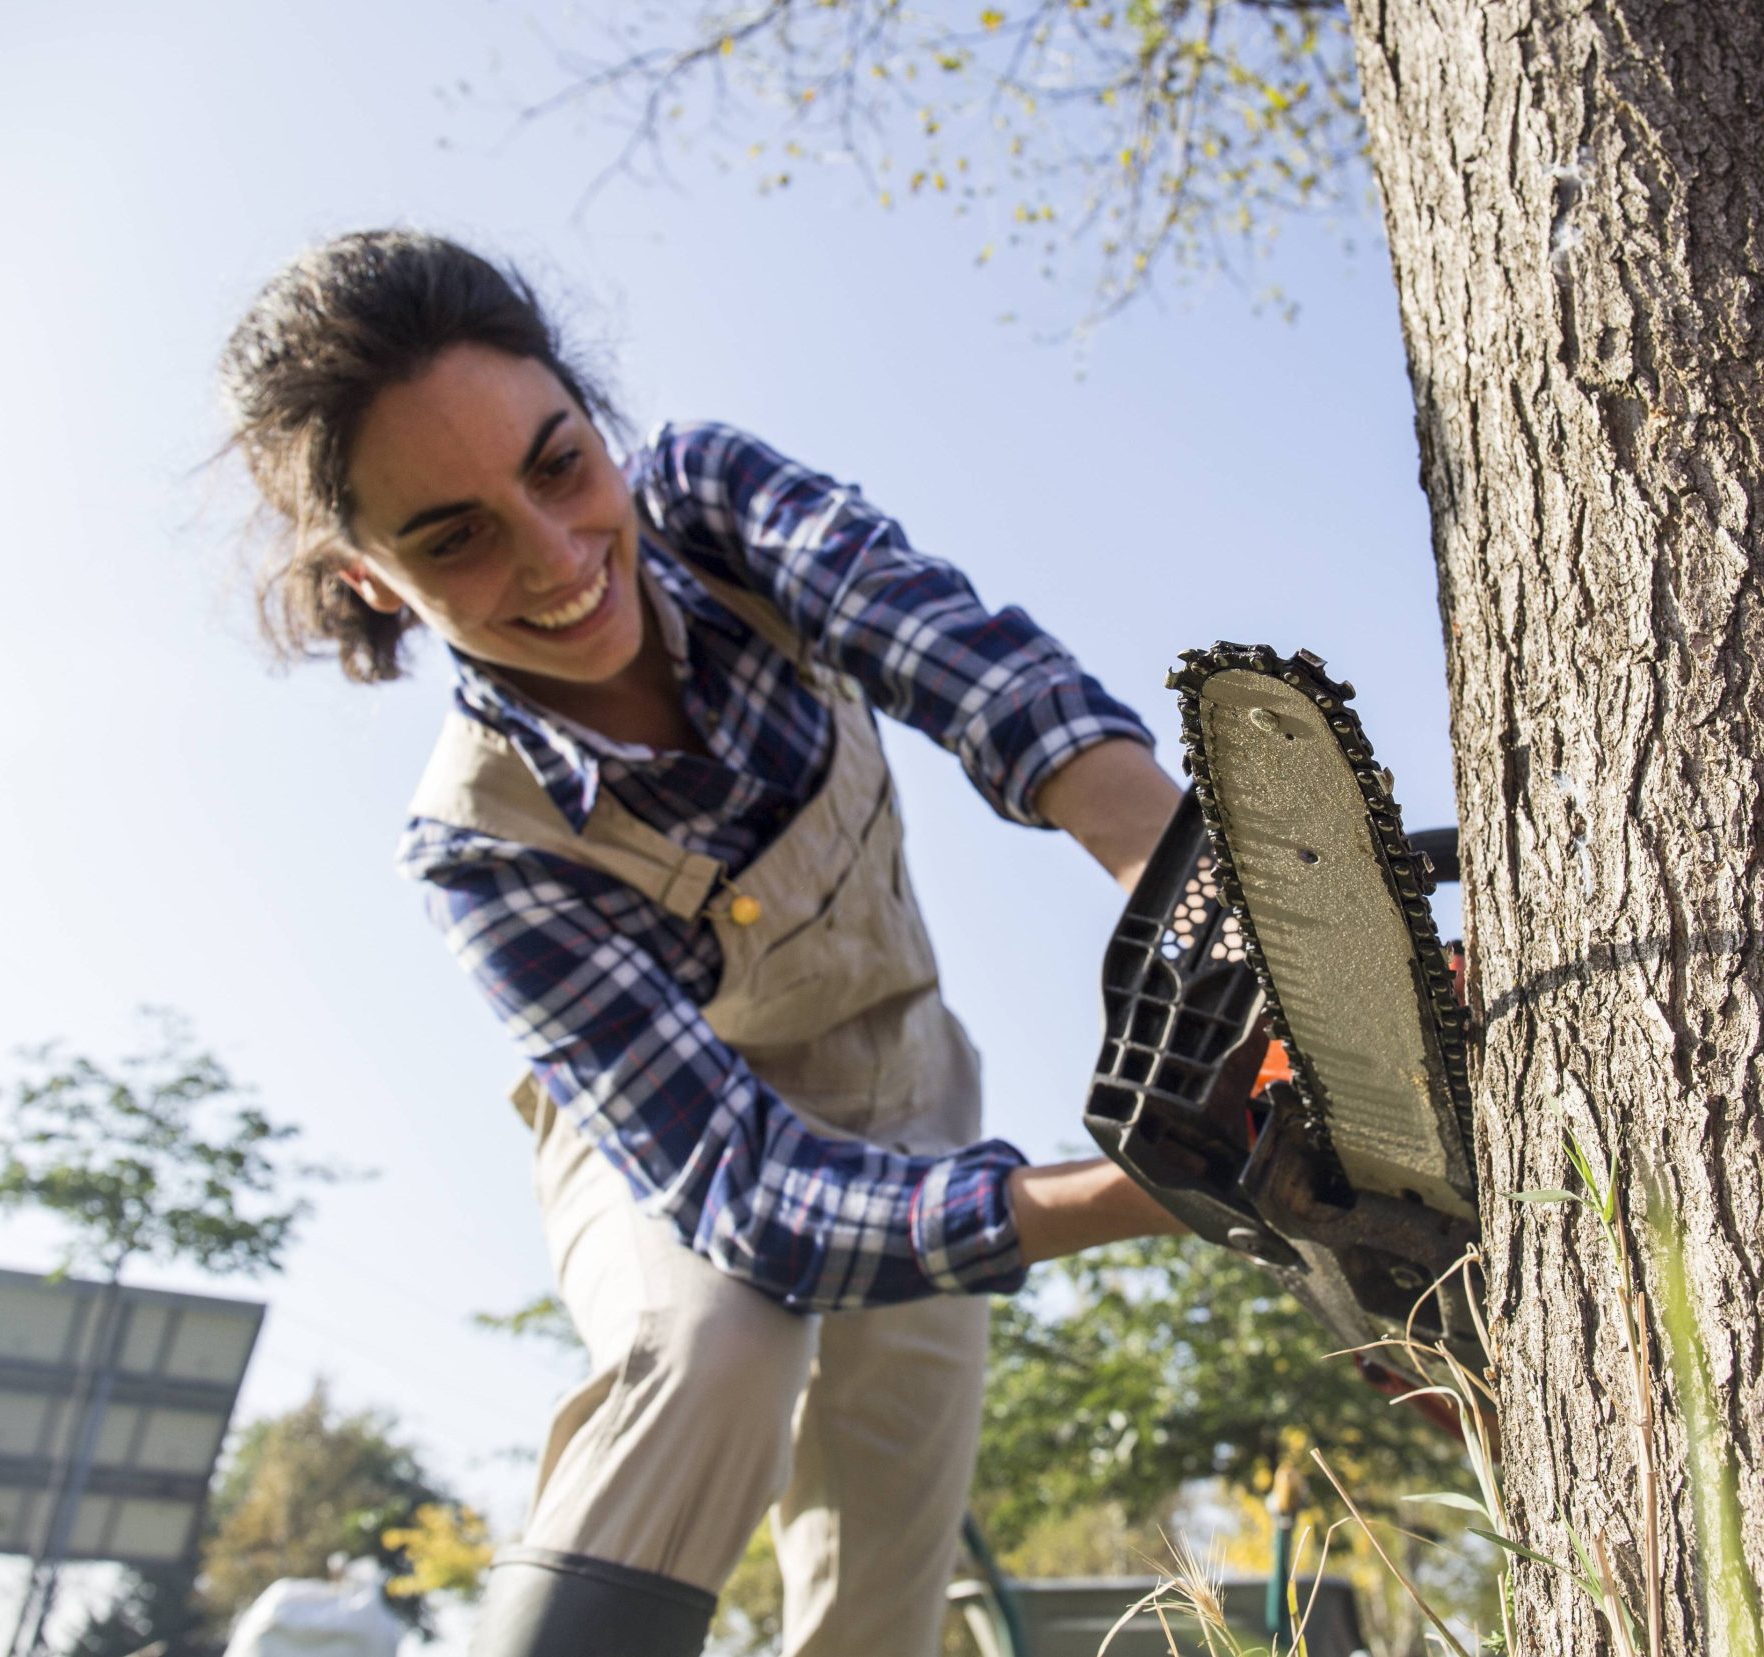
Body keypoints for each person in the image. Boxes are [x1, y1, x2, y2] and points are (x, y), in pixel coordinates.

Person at [218, 230, 1192, 1657]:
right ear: (369, 576)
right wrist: (1141, 1190)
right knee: (724, 1333)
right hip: (660, 1133)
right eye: (453, 536)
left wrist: (1204, 900)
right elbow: (743, 1191)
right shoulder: (481, 839)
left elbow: (952, 649)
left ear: (592, 421)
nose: (556, 560)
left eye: (558, 467)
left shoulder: (716, 501)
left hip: (909, 1086)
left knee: (885, 1568)